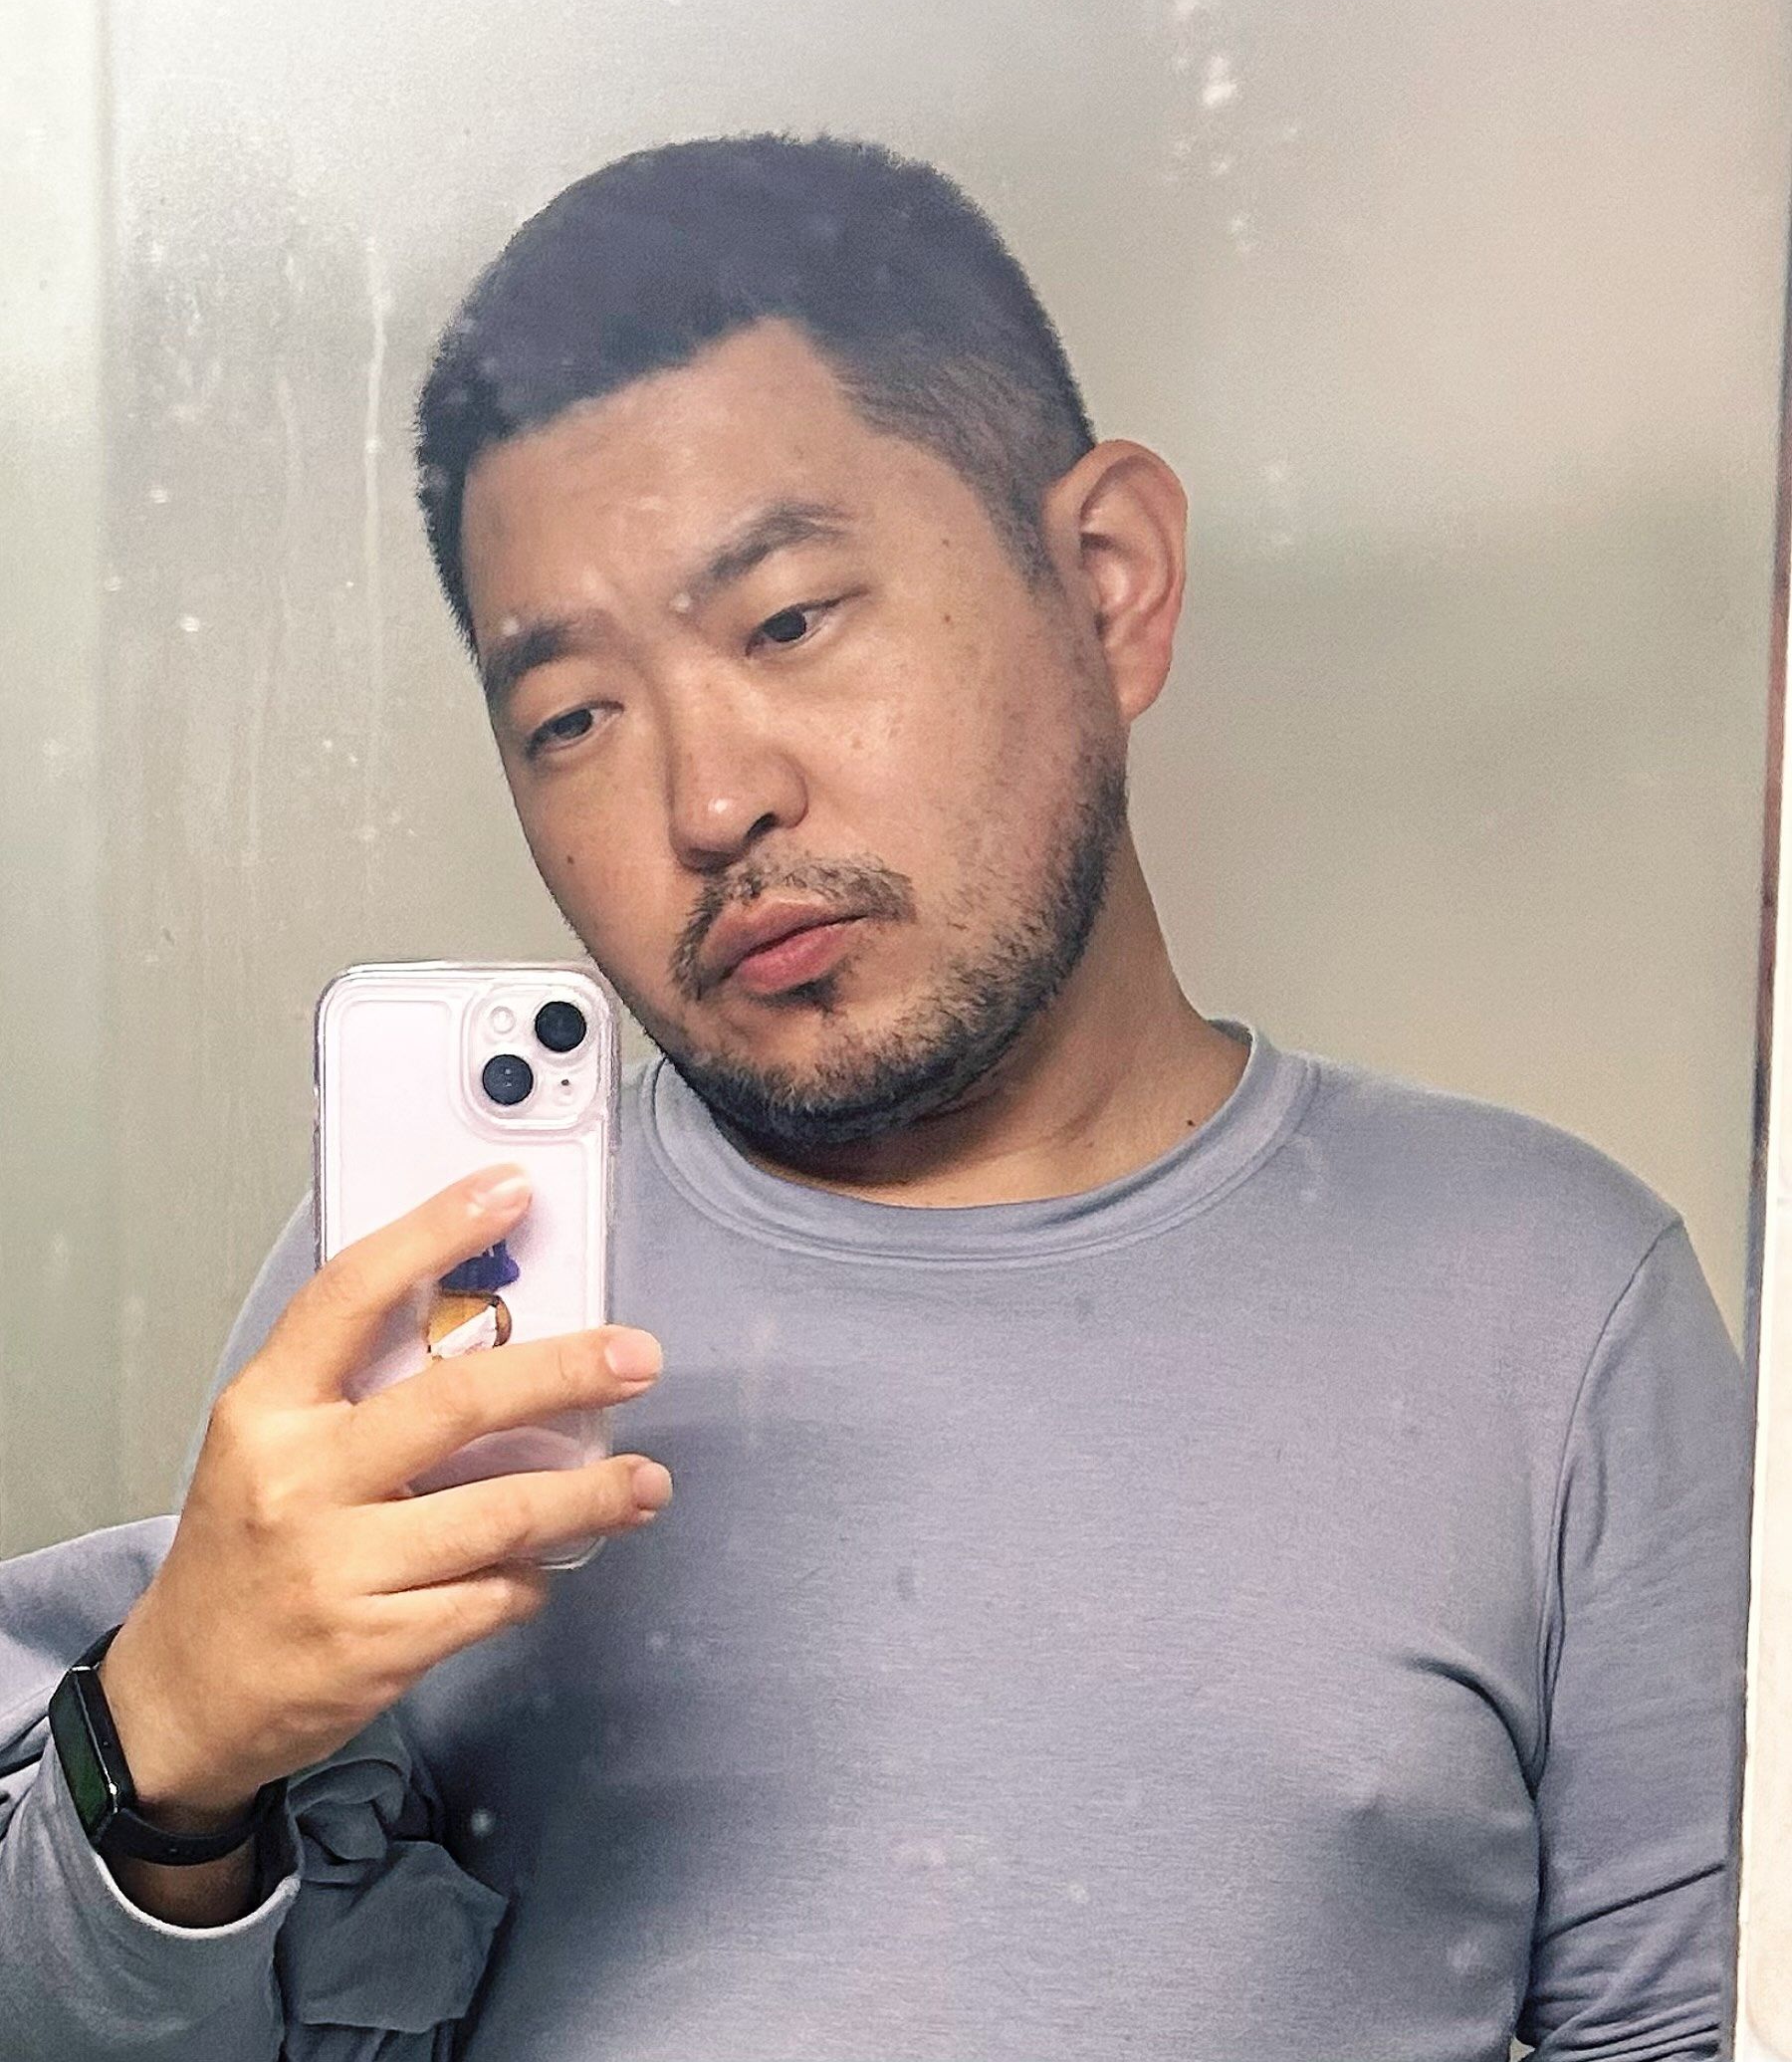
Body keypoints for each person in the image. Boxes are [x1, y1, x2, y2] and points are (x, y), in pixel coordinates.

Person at [0, 132, 1751, 2060]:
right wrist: (158, 1778)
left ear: (1109, 584)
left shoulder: (1551, 1304)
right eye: (570, 717)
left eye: (788, 623)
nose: (709, 800)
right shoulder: (435, 1299)